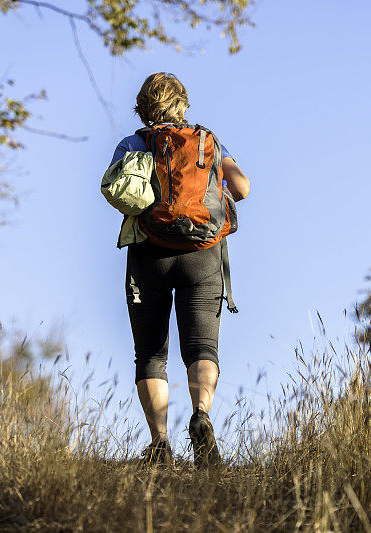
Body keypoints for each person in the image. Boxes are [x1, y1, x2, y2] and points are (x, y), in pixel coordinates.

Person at [108, 73, 250, 467]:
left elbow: (120, 193)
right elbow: (242, 188)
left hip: (148, 255)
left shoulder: (133, 143)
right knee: (202, 347)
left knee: (150, 354)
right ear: (183, 104)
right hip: (203, 254)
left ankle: (160, 444)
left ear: (142, 108)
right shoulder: (207, 141)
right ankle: (201, 415)